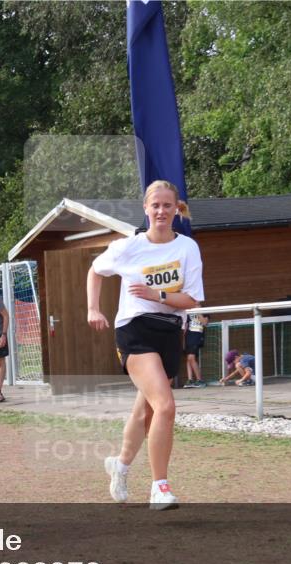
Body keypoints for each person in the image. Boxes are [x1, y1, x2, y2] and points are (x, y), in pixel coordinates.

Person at [87, 180, 204, 510]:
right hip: (134, 330)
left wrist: (159, 295)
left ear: (176, 208)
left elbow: (192, 299)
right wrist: (93, 308)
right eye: (155, 205)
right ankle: (160, 487)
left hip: (168, 331)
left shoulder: (187, 248)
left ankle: (120, 465)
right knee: (165, 406)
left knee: (147, 409)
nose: (161, 211)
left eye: (167, 205)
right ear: (146, 209)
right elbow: (95, 271)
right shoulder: (130, 246)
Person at [183, 313, 208, 387]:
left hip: (196, 336)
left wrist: (198, 312)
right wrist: (183, 339)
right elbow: (185, 327)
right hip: (188, 337)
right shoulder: (188, 313)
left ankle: (199, 380)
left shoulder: (204, 311)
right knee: (188, 359)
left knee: (191, 357)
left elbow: (205, 323)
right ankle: (190, 380)